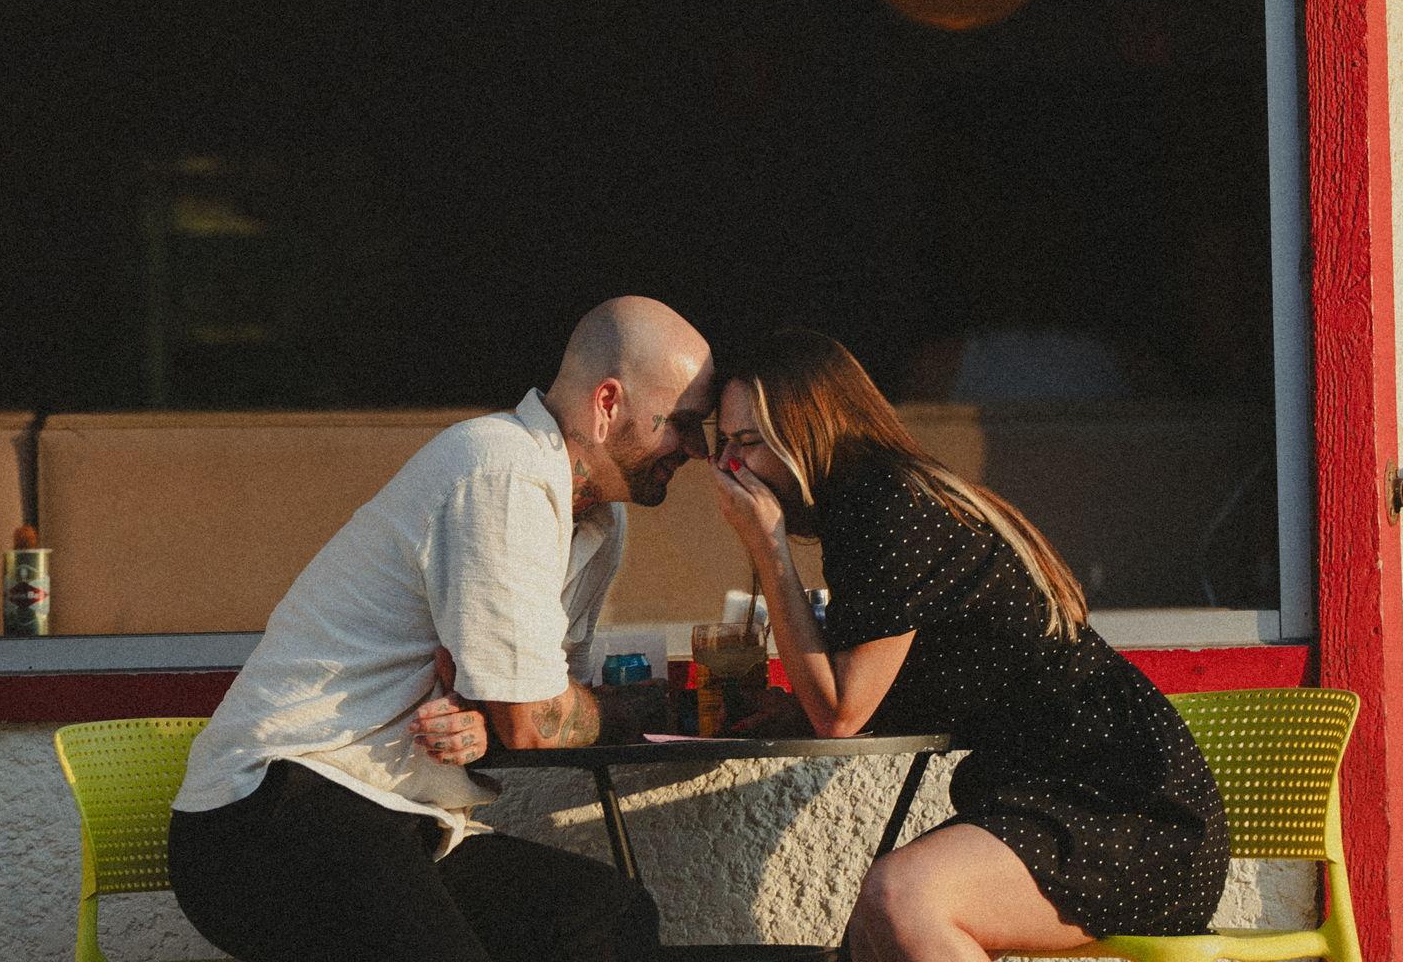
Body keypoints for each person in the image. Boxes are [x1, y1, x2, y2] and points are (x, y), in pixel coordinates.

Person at [168, 296, 717, 962]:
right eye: (683, 423)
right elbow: (536, 717)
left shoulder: (600, 522)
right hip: (273, 814)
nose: (697, 448)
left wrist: (497, 718)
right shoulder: (502, 469)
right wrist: (599, 710)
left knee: (606, 919)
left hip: (399, 820)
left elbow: (535, 711)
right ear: (608, 405)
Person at [710, 328, 1228, 962]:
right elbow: (880, 689)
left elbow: (840, 714)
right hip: (1057, 793)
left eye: (745, 443)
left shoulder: (887, 504)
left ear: (804, 429)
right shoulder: (870, 503)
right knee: (870, 934)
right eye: (722, 445)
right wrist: (792, 705)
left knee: (901, 898)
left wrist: (768, 546)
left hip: (1127, 806)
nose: (729, 468)